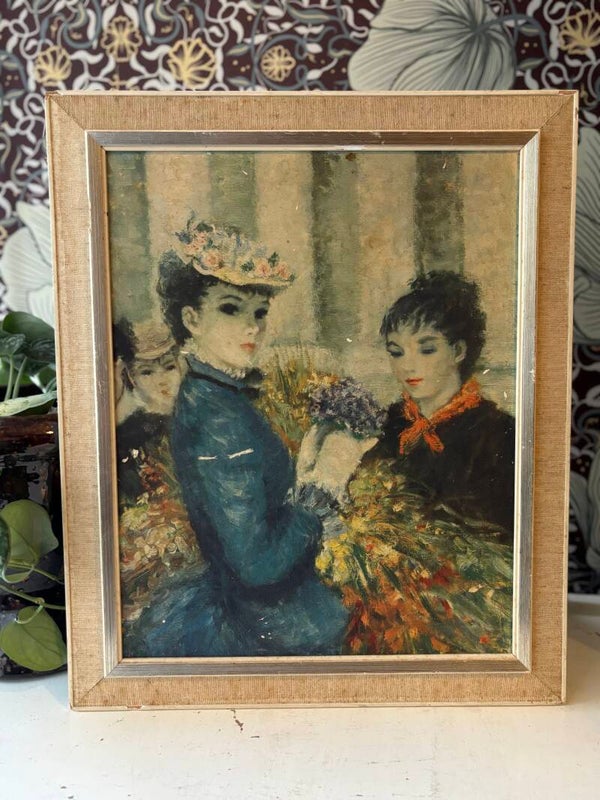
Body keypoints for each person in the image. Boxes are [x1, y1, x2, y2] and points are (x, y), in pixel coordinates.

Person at [125, 219, 348, 657]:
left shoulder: (215, 394)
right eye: (231, 309)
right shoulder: (217, 415)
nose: (253, 328)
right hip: (267, 620)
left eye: (259, 313)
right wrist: (313, 508)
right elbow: (257, 565)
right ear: (192, 319)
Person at [363, 270, 515, 536]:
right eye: (396, 352)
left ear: (458, 351)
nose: (407, 366)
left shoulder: (496, 433)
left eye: (427, 350)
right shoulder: (390, 423)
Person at [113, 318, 201, 622]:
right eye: (147, 372)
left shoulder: (200, 422)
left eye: (169, 367)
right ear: (131, 377)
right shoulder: (129, 437)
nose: (162, 380)